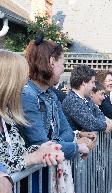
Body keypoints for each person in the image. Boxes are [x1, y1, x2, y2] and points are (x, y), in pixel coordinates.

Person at [20, 38, 90, 193]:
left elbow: (67, 132)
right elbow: (40, 144)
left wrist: (53, 144)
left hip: (48, 175)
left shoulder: (51, 95)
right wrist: (76, 147)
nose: (64, 69)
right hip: (33, 181)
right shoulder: (27, 96)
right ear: (52, 62)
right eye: (63, 64)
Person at [0, 50, 64, 193]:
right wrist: (32, 158)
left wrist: (42, 151)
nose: (25, 84)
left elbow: (14, 154)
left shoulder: (9, 117)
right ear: (7, 83)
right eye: (21, 79)